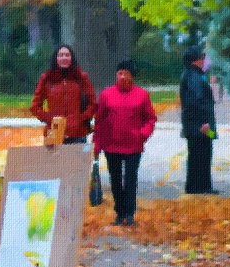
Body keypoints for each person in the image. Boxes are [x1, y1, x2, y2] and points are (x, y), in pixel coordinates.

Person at [93, 60, 158, 226]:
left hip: (133, 145)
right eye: (119, 73)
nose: (122, 76)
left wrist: (142, 134)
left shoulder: (142, 95)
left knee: (130, 179)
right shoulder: (106, 95)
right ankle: (119, 212)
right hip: (111, 144)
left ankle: (129, 213)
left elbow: (150, 118)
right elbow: (99, 121)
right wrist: (97, 144)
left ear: (131, 76)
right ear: (116, 75)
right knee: (115, 179)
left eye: (125, 73)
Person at [30, 45, 96, 145]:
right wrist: (51, 120)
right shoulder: (46, 78)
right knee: (55, 161)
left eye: (67, 55)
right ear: (55, 58)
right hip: (53, 133)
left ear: (71, 58)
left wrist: (81, 119)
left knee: (77, 161)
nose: (64, 58)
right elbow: (35, 107)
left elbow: (93, 103)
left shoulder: (82, 77)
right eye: (61, 55)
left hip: (78, 133)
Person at [179, 46, 218, 194]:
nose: (204, 61)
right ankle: (198, 187)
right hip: (200, 125)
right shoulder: (193, 76)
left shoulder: (193, 74)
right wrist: (203, 124)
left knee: (203, 152)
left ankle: (202, 186)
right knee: (200, 154)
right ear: (197, 59)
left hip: (198, 124)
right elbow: (196, 101)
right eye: (202, 58)